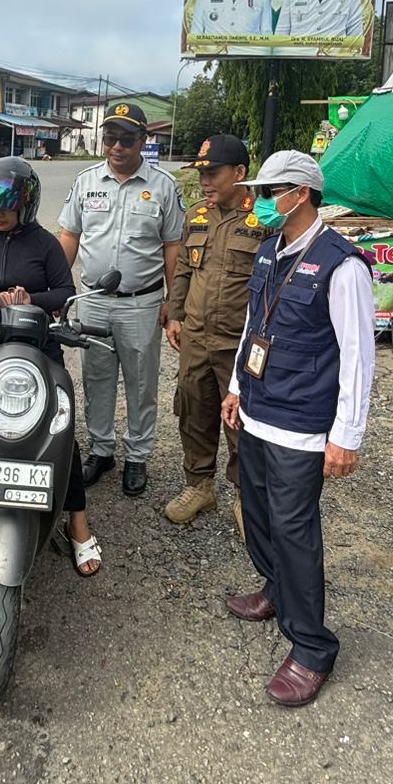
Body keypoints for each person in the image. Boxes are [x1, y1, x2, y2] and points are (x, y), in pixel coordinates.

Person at [221, 151, 375, 708]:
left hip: (303, 427)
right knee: (256, 511)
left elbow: (358, 355)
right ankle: (274, 589)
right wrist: (238, 386)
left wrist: (347, 435)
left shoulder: (342, 265)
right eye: (258, 189)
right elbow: (252, 327)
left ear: (301, 194)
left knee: (294, 529)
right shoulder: (269, 252)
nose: (259, 199)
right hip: (259, 409)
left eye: (270, 190)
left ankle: (311, 646)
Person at [0, 157, 102, 577]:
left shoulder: (45, 243)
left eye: (7, 206)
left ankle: (78, 525)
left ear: (25, 205)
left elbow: (65, 292)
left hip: (38, 349)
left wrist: (29, 299)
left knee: (59, 433)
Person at [57, 102, 185, 496]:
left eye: (125, 139)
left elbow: (173, 247)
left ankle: (137, 456)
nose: (115, 146)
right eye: (110, 138)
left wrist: (172, 302)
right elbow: (69, 238)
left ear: (143, 142)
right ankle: (101, 450)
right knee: (96, 377)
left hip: (141, 303)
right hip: (93, 299)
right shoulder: (86, 181)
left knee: (141, 382)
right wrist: (58, 293)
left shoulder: (163, 186)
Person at [163, 134, 268, 534]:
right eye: (202, 173)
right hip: (195, 337)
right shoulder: (197, 216)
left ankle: (246, 497)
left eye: (214, 172)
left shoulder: (264, 220)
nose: (206, 180)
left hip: (238, 344)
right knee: (193, 412)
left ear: (240, 173)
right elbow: (186, 271)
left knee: (242, 420)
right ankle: (199, 486)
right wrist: (175, 315)